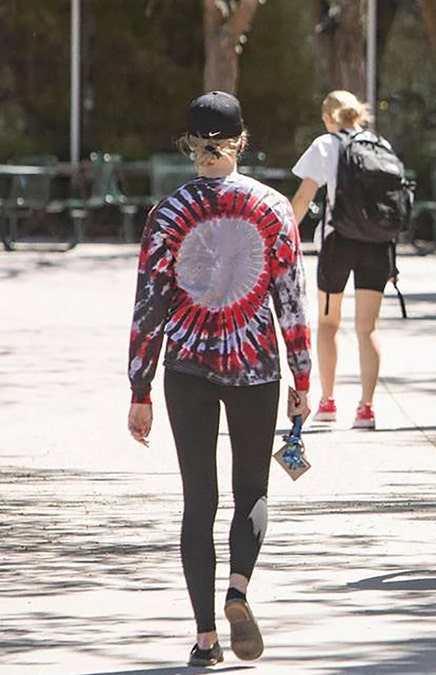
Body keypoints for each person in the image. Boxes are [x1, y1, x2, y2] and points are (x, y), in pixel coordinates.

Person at [126, 91, 312, 666]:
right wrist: (303, 376)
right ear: (241, 140)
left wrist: (140, 387)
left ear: (189, 143)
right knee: (251, 490)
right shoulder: (275, 208)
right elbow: (291, 300)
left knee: (198, 500)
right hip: (256, 369)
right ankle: (238, 588)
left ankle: (206, 639)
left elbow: (149, 304)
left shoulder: (168, 212)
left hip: (187, 369)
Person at [291, 90, 391, 430]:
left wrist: (284, 231)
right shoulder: (379, 144)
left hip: (339, 243)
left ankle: (328, 401)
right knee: (368, 328)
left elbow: (305, 196)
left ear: (328, 117)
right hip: (377, 245)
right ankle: (366, 408)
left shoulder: (325, 144)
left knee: (329, 324)